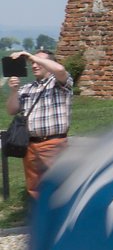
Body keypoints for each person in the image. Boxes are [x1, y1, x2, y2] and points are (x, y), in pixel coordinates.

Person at [5, 50, 72, 207]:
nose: (34, 65)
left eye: (38, 62)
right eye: (32, 63)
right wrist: (14, 91)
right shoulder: (27, 88)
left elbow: (60, 69)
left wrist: (30, 56)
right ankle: (40, 216)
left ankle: (60, 216)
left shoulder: (59, 83)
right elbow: (11, 110)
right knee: (35, 188)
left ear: (49, 64)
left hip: (53, 143)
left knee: (57, 186)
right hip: (30, 145)